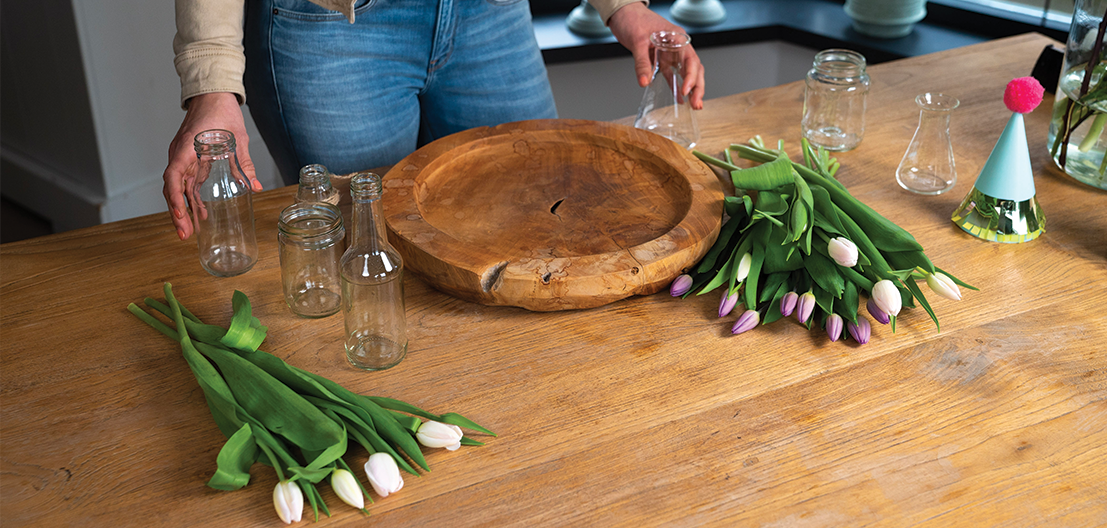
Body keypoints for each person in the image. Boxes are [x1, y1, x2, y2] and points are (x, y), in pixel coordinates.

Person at [163, 0, 706, 241]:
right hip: (332, 28)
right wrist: (211, 80)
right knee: (366, 245)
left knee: (544, 224)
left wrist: (621, 3)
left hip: (489, 14)